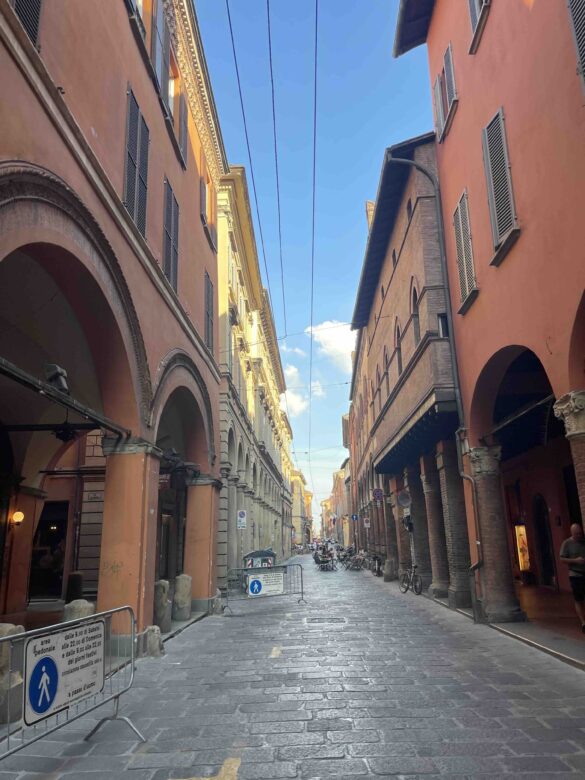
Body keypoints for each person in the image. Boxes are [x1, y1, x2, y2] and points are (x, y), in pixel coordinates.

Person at [560, 523, 585, 632]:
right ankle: (583, 622)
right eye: (576, 534)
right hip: (575, 574)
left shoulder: (583, 541)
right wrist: (575, 561)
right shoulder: (567, 544)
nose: (578, 536)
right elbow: (562, 559)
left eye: (580, 533)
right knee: (578, 599)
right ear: (572, 533)